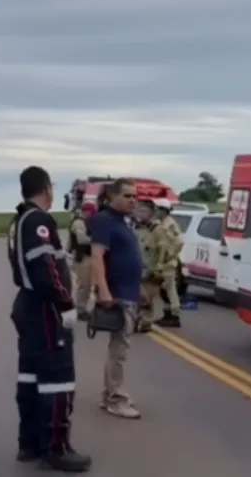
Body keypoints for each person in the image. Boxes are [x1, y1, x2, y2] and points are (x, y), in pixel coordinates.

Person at [8, 165, 92, 472]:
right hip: (45, 310)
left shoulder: (18, 220)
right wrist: (66, 304)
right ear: (45, 188)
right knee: (57, 379)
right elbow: (47, 269)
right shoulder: (40, 221)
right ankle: (56, 449)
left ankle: (29, 444)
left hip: (27, 307)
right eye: (52, 187)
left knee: (30, 376)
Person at [89, 177, 143, 419]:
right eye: (127, 196)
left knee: (120, 347)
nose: (133, 200)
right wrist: (103, 290)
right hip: (118, 294)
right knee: (119, 349)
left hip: (129, 292)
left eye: (134, 196)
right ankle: (114, 398)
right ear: (112, 197)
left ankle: (110, 393)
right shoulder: (105, 221)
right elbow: (97, 257)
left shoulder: (124, 222)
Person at [152, 198, 184, 327]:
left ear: (163, 211)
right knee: (165, 289)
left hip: (167, 262)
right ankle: (168, 314)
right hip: (168, 261)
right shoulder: (167, 223)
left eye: (157, 209)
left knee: (170, 289)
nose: (155, 212)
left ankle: (174, 315)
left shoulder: (166, 226)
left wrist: (166, 257)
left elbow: (170, 245)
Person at [134, 199, 161, 333]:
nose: (141, 213)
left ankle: (145, 322)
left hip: (151, 268)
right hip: (136, 267)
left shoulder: (157, 230)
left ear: (152, 213)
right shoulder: (135, 228)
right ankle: (134, 320)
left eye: (144, 211)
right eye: (139, 210)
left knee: (147, 298)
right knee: (136, 297)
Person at [68, 202, 96, 321]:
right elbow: (81, 239)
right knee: (84, 285)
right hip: (82, 257)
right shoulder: (79, 222)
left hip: (85, 257)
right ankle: (80, 309)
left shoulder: (83, 222)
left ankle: (82, 308)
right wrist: (98, 239)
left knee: (88, 285)